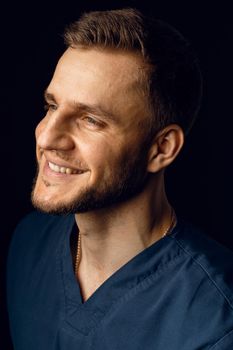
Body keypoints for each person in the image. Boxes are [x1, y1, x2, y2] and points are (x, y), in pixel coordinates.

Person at [7, 8, 233, 350]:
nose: (46, 138)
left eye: (91, 120)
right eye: (52, 107)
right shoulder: (28, 243)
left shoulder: (215, 320)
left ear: (161, 148)